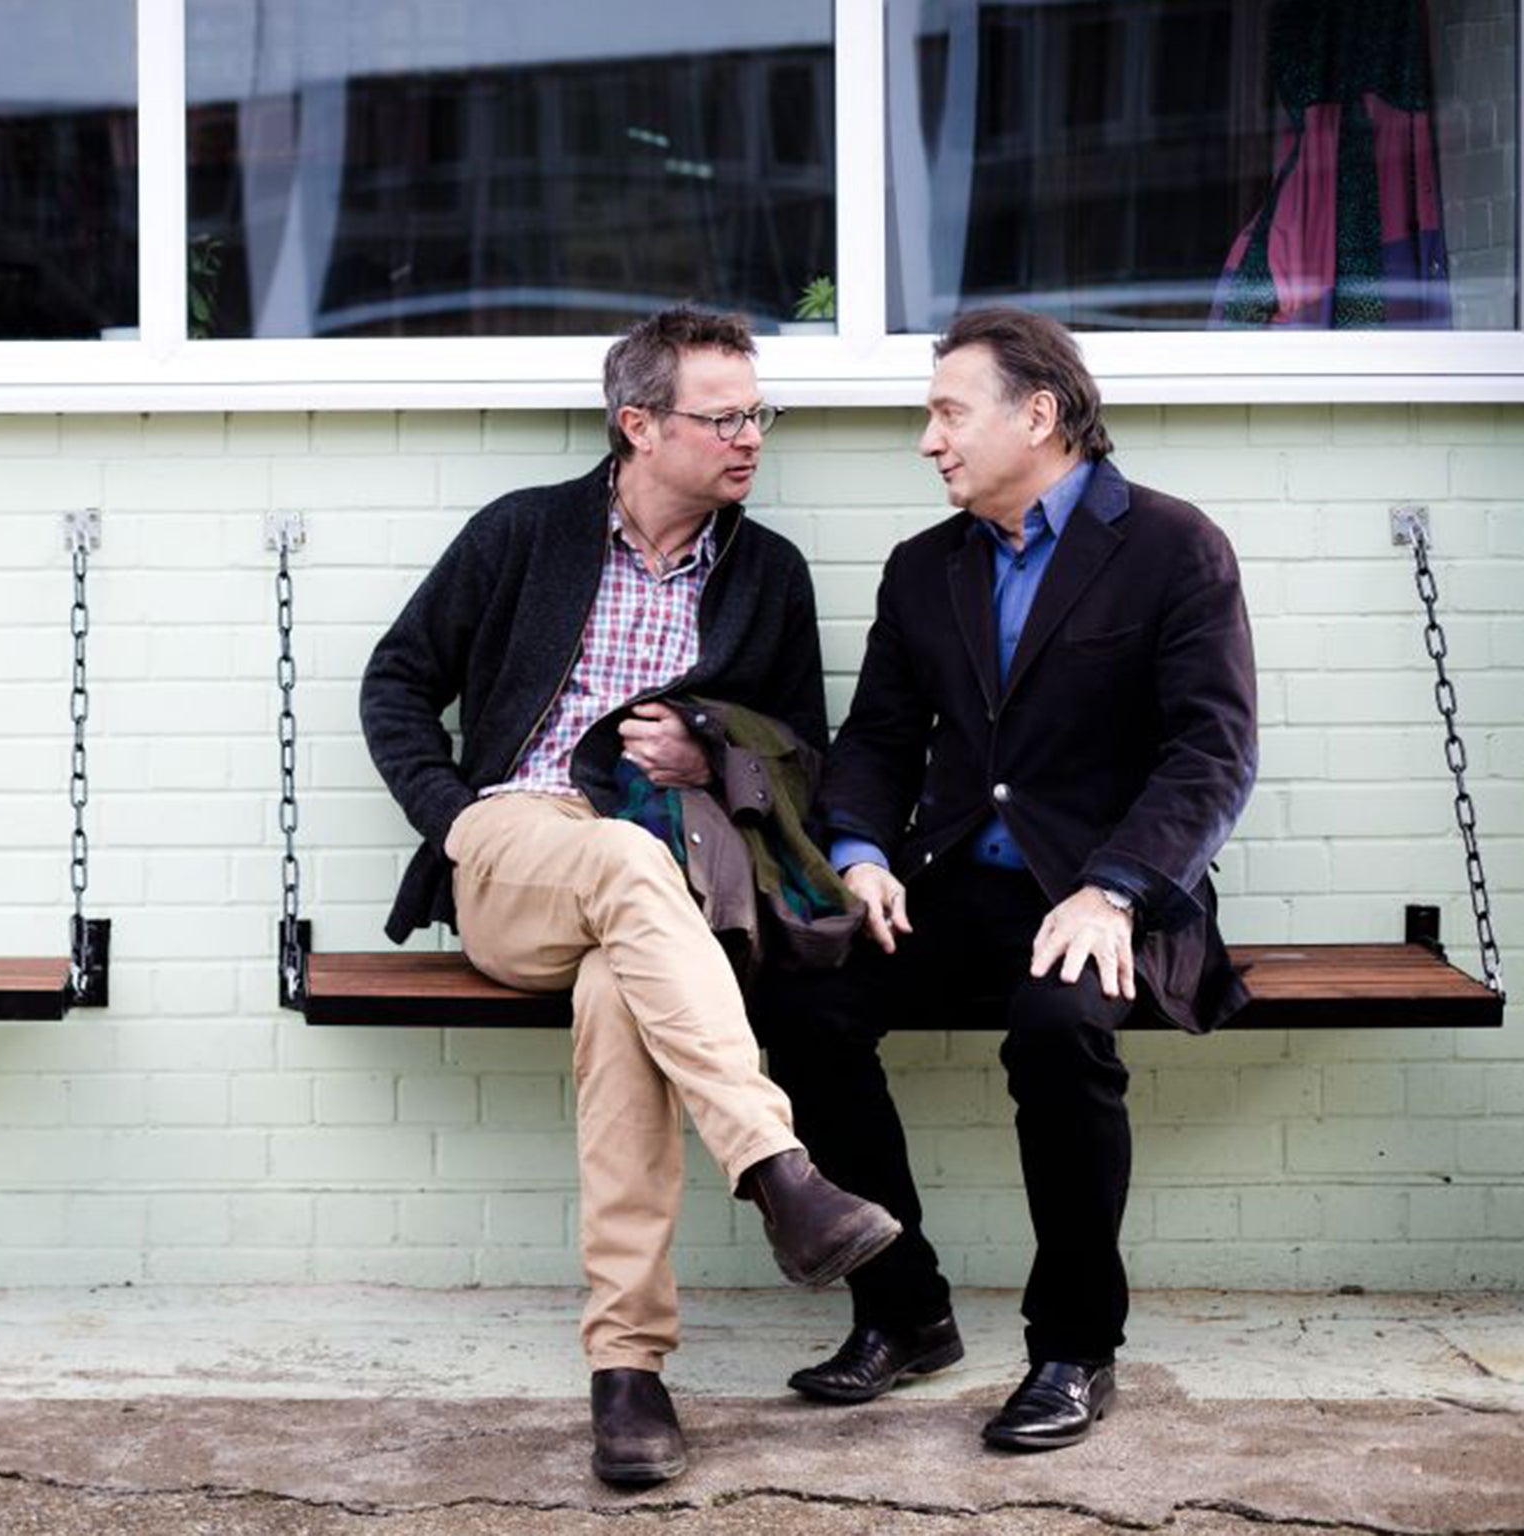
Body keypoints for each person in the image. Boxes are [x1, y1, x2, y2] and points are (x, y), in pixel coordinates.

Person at [361, 307, 899, 1488]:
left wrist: (713, 758)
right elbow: (395, 681)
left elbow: (801, 751)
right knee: (616, 868)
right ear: (637, 425)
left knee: (620, 1002)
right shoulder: (524, 535)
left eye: (758, 414)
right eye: (723, 417)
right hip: (519, 845)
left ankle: (628, 1377)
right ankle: (775, 1169)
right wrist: (451, 818)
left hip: (660, 886)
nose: (750, 437)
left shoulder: (767, 574)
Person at [760, 306, 1257, 1452]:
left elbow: (1209, 751)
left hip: (1110, 890)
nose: (927, 440)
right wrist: (861, 857)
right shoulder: (923, 567)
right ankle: (903, 1306)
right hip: (951, 885)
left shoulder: (1173, 547)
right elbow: (878, 738)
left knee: (1055, 1028)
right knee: (801, 1002)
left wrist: (1115, 890)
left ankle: (1073, 1350)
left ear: (1037, 414)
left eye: (945, 412)